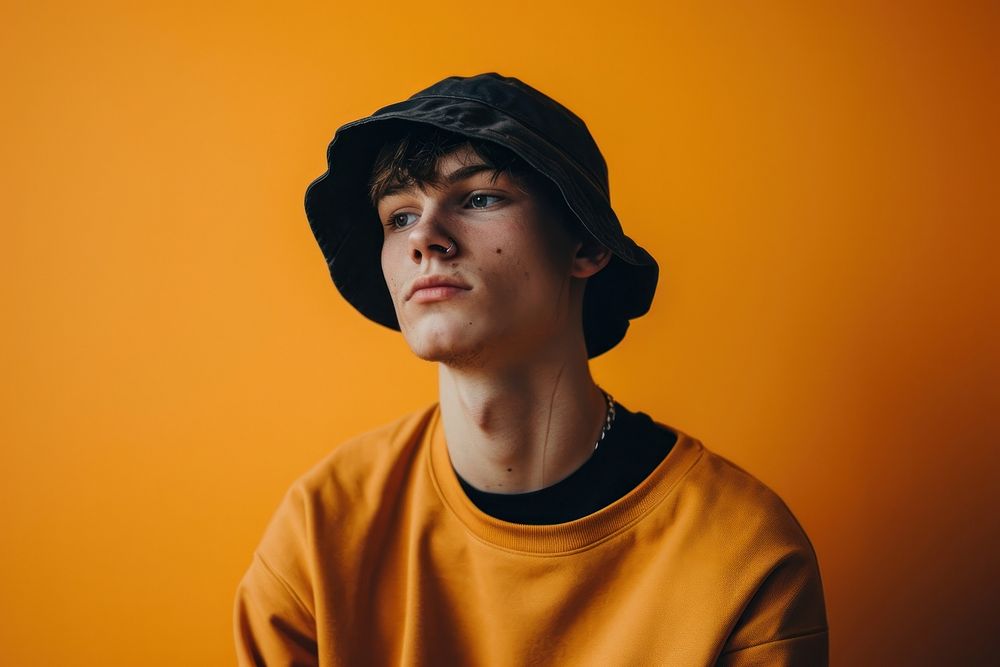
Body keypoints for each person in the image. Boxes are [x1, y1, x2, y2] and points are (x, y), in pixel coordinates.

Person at [233, 72, 828, 666]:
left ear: (587, 246)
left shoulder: (744, 555)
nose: (426, 239)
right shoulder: (323, 527)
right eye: (399, 217)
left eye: (479, 198)